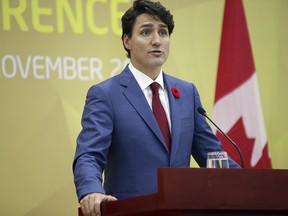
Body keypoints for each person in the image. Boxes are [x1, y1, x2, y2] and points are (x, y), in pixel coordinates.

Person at [73, 0, 240, 215]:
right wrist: (91, 192)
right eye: (145, 32)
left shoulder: (187, 93)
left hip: (181, 210)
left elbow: (213, 156)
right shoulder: (106, 94)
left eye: (163, 33)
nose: (157, 40)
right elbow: (89, 155)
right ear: (127, 41)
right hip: (131, 211)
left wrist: (252, 186)